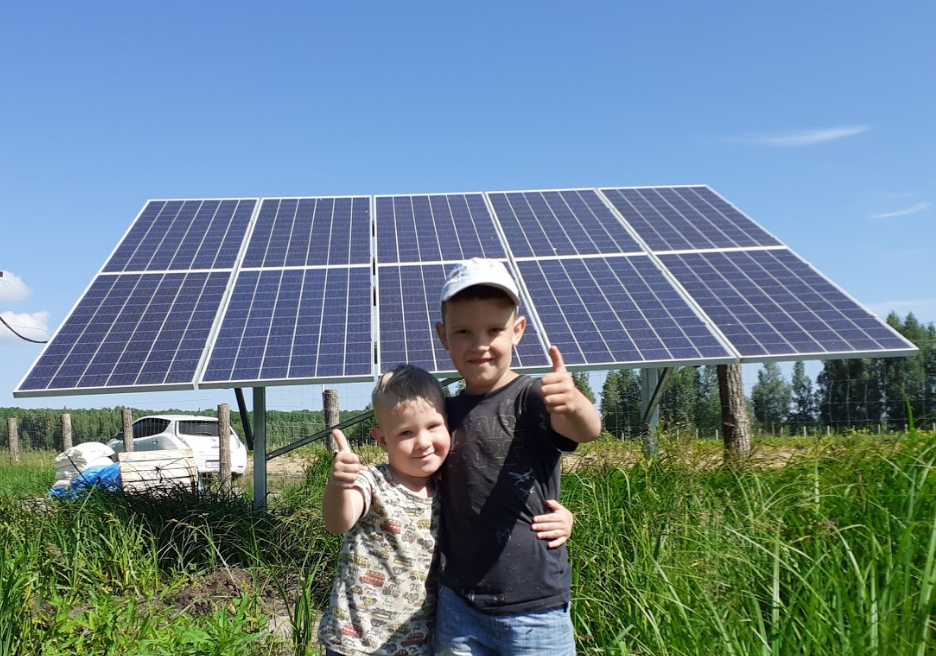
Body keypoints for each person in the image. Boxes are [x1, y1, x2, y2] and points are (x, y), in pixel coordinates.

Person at [318, 363, 575, 656]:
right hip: (357, 643)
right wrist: (339, 484)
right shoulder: (374, 482)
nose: (423, 443)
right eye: (405, 433)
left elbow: (497, 504)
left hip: (416, 644)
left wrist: (563, 516)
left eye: (433, 426)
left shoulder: (450, 485)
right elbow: (339, 521)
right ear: (382, 439)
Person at [433, 258, 603, 656]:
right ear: (443, 336)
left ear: (518, 331)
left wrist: (573, 401)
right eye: (463, 331)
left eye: (494, 330)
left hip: (535, 609)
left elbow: (587, 429)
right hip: (459, 603)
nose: (480, 344)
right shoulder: (444, 412)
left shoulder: (532, 397)